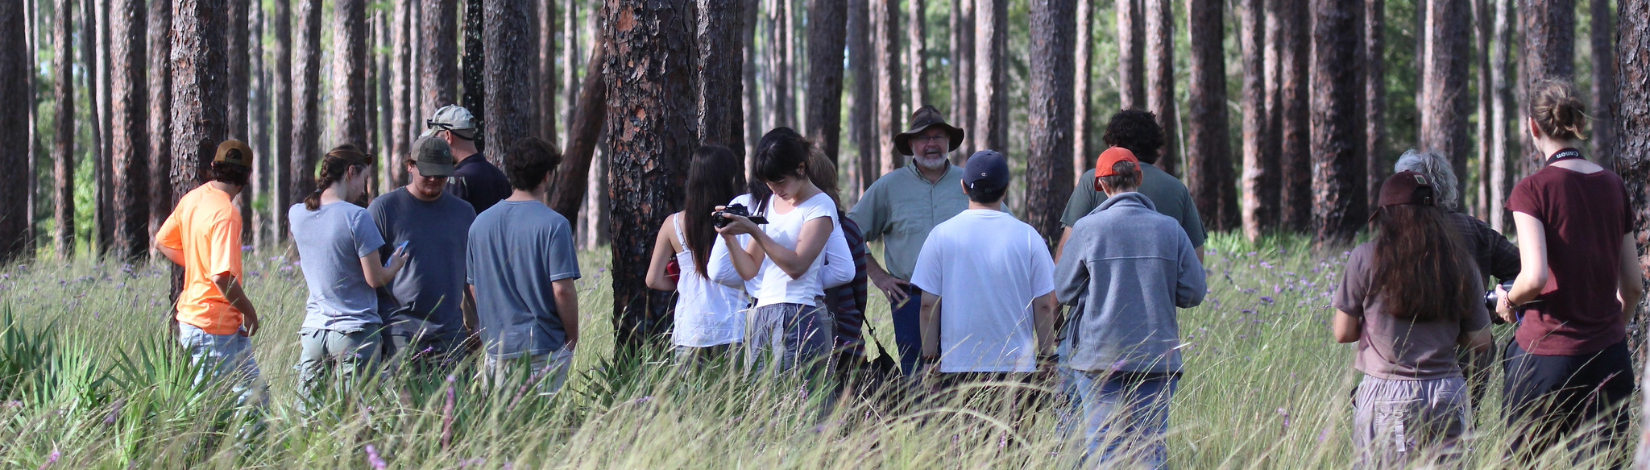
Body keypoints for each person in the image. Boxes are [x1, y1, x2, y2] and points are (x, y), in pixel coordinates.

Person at [1496, 79, 1643, 463]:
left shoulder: (1532, 190)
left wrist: (1507, 299)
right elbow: (1633, 287)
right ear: (1577, 121)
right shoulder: (1613, 186)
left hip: (1545, 360)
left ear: (1533, 126)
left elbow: (1535, 277)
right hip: (1609, 359)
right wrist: (1612, 330)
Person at [1055, 147, 1205, 468]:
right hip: (1156, 357)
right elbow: (1194, 292)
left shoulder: (1087, 229)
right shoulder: (1170, 230)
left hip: (1099, 360)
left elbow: (1064, 289)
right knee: (1149, 450)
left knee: (1104, 449)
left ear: (1103, 186)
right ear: (1138, 178)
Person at [1332, 171, 1493, 467]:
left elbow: (1343, 332)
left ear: (1385, 214)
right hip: (1447, 392)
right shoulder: (1460, 262)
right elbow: (1481, 340)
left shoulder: (1366, 257)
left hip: (1388, 395)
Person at [848, 104, 976, 375]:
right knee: (918, 379)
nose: (931, 144)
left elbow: (1002, 226)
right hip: (910, 300)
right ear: (911, 144)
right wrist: (879, 276)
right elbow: (850, 232)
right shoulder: (889, 187)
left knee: (968, 377)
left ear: (949, 141)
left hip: (966, 294)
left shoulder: (970, 182)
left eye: (938, 137)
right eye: (923, 137)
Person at [911, 150, 1056, 387]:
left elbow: (928, 305)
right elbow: (1043, 305)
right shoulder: (1029, 237)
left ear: (964, 187)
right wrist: (1048, 357)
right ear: (1006, 188)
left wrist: (930, 358)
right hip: (1017, 369)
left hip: (956, 367)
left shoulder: (941, 235)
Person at [1391, 150, 1520, 407]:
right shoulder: (1474, 228)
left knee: (1408, 434)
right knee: (1463, 430)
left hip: (1410, 356)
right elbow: (1525, 270)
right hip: (1473, 350)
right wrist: (1492, 306)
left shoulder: (1397, 234)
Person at [288, 145, 409, 404]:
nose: (364, 190)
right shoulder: (357, 217)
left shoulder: (297, 214)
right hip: (355, 331)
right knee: (354, 415)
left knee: (307, 415)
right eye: (363, 180)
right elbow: (375, 279)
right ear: (350, 172)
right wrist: (396, 264)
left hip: (314, 330)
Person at [717, 127, 840, 378]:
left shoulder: (821, 206)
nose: (774, 189)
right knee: (766, 407)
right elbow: (750, 269)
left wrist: (755, 231)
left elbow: (796, 266)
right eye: (769, 183)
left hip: (800, 313)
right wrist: (729, 236)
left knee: (801, 402)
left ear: (801, 168)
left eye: (780, 181)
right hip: (763, 312)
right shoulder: (768, 203)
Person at [466, 137, 582, 395]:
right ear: (548, 176)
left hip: (497, 346)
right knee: (541, 426)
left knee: (503, 428)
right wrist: (572, 336)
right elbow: (562, 290)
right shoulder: (554, 225)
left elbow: (474, 287)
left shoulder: (480, 224)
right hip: (543, 346)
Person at [154, 139, 265, 406]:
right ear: (247, 176)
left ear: (214, 166)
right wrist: (250, 312)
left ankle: (247, 446)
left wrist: (197, 264)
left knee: (255, 401)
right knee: (212, 412)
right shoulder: (227, 214)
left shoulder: (192, 199)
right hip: (212, 328)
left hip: (210, 325)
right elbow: (221, 276)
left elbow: (162, 242)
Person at [370, 136, 479, 373]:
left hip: (450, 332)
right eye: (426, 172)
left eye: (440, 174)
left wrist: (479, 321)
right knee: (404, 405)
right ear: (410, 166)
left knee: (454, 404)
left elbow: (472, 277)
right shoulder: (384, 209)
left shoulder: (463, 212)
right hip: (400, 331)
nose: (433, 179)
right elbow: (368, 274)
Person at [1057, 110, 1205, 263]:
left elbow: (1066, 251)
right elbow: (1196, 257)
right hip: (1160, 285)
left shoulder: (1094, 180)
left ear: (1114, 144)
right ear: (1154, 145)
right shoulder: (1177, 189)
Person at [646, 146, 748, 364]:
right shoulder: (739, 221)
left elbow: (652, 279)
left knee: (690, 397)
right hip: (734, 326)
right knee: (737, 396)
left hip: (691, 328)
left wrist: (685, 281)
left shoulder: (673, 224)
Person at [426, 105, 511, 214]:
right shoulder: (500, 177)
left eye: (436, 139)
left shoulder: (457, 180)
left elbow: (448, 225)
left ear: (448, 136)